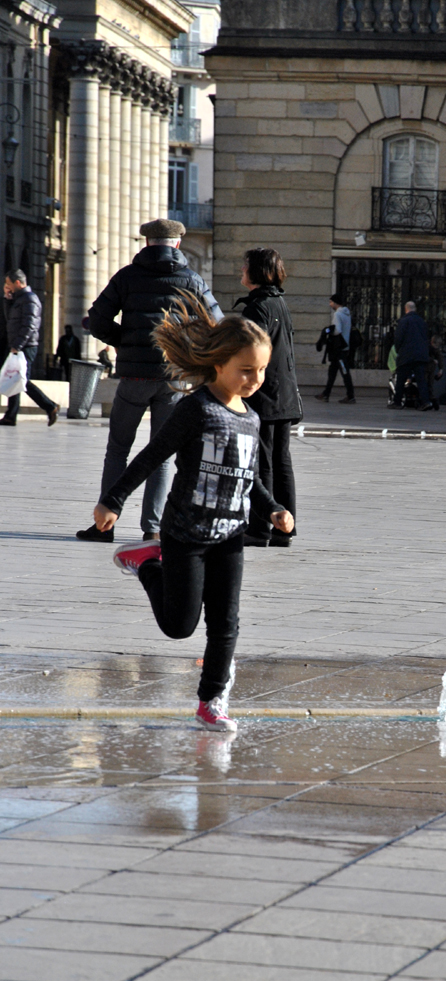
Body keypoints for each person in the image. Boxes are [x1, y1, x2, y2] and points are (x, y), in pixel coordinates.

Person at [91, 297, 293, 732]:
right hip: (185, 533)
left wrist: (274, 508)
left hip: (230, 536)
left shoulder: (251, 418)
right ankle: (148, 564)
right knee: (179, 627)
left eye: (261, 370)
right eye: (246, 370)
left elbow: (248, 476)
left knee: (226, 623)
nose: (255, 379)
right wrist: (113, 500)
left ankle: (211, 701)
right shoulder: (197, 409)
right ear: (218, 364)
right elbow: (152, 455)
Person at [76, 218, 222, 544]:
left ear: (146, 243)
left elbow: (97, 318)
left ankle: (104, 526)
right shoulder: (192, 280)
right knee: (162, 452)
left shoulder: (127, 277)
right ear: (178, 244)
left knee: (117, 450)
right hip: (172, 380)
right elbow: (217, 324)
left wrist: (124, 341)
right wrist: (187, 351)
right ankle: (152, 529)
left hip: (133, 377)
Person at [233, 247, 302, 548]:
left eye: (246, 265)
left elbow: (251, 354)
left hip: (264, 394)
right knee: (280, 461)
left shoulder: (257, 307)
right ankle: (284, 529)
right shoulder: (279, 303)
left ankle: (260, 528)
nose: (242, 270)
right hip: (284, 393)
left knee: (262, 462)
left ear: (257, 271)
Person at [0, 270, 60, 428]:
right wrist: (7, 299)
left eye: (8, 284)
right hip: (18, 344)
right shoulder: (19, 299)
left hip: (26, 346)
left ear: (17, 283)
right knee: (15, 378)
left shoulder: (30, 299)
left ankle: (50, 406)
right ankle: (10, 416)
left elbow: (30, 325)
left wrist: (17, 346)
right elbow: (9, 319)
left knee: (22, 380)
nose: (7, 286)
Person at [388, 301, 432, 412]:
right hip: (420, 355)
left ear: (405, 309)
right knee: (421, 380)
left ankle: (397, 402)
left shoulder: (403, 321)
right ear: (415, 309)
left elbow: (398, 338)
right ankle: (425, 402)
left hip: (406, 354)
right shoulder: (422, 321)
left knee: (401, 379)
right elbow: (426, 337)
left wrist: (399, 350)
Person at [315, 293, 355, 403]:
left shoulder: (338, 314)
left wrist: (328, 330)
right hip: (345, 347)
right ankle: (326, 394)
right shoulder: (347, 314)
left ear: (336, 303)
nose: (330, 304)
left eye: (331, 302)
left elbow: (337, 330)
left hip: (339, 349)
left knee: (345, 372)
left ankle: (350, 396)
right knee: (332, 372)